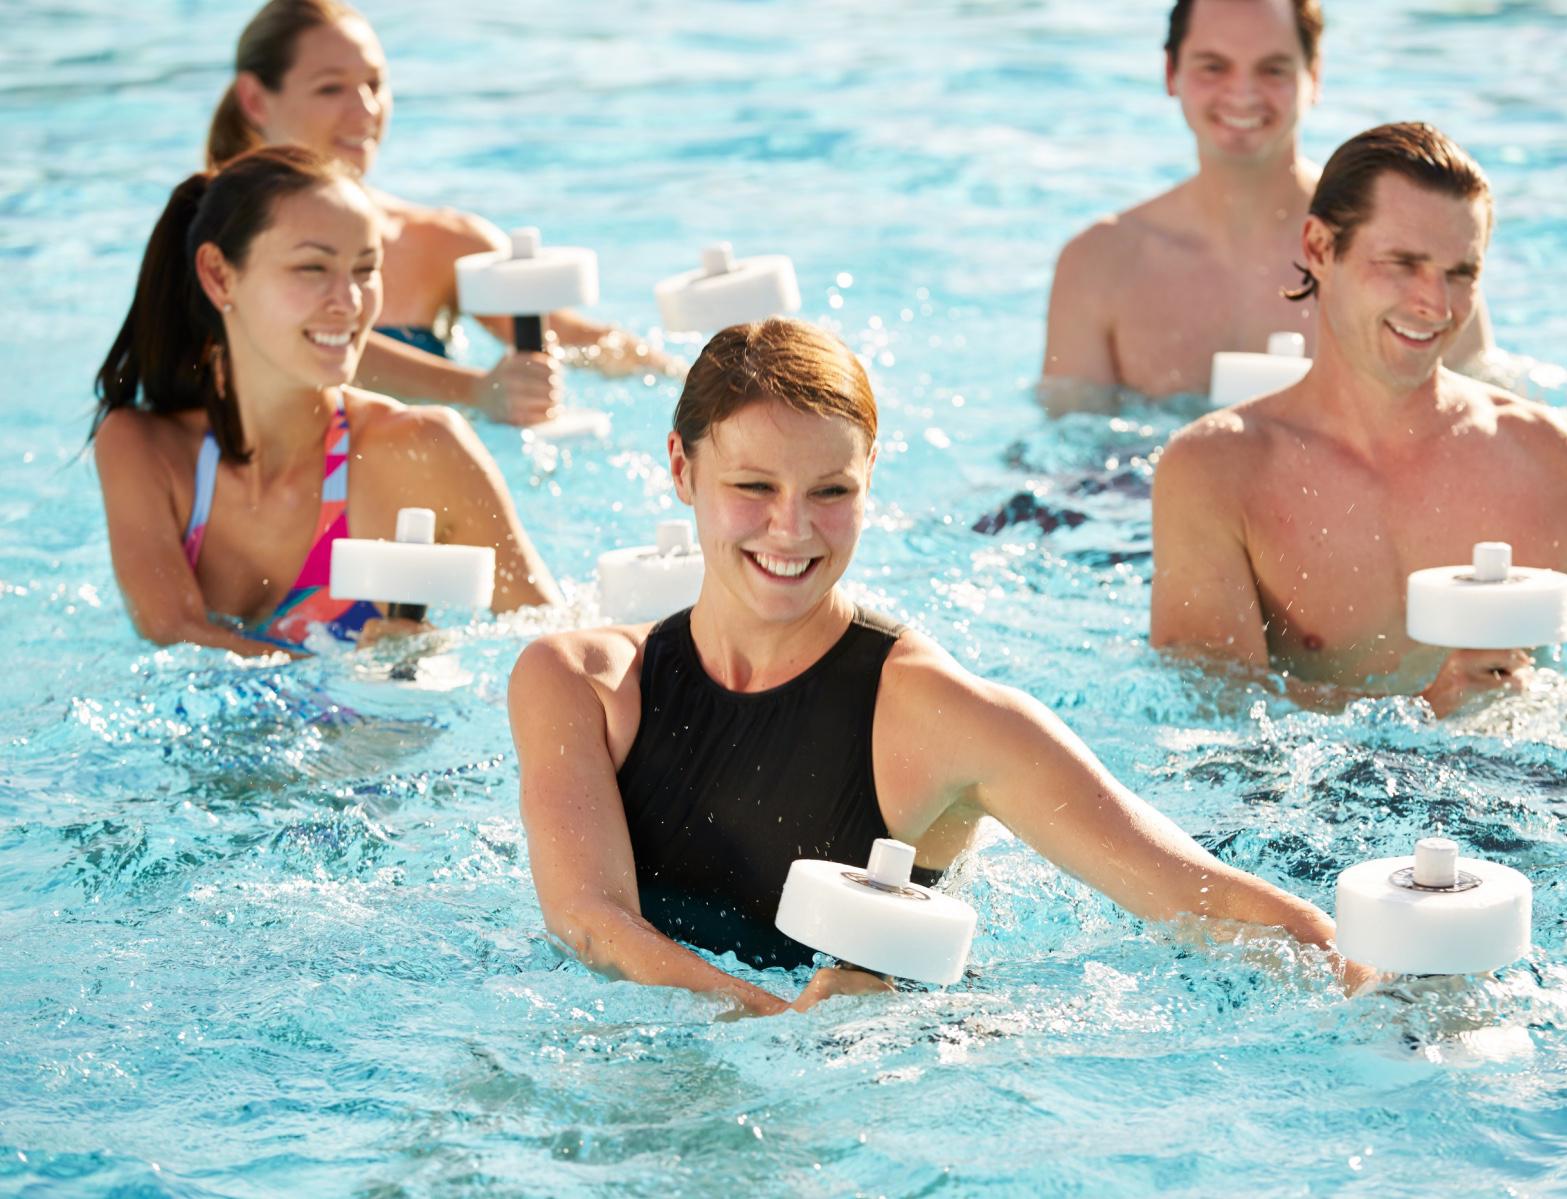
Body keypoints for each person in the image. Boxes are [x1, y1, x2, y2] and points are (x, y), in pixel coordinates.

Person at [510, 318, 1363, 1015]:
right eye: (755, 487)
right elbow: (588, 920)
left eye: (831, 492)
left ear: (870, 480)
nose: (792, 528)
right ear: (679, 468)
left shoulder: (943, 716)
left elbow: (1200, 897)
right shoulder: (580, 684)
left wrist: (1380, 987)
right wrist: (781, 1024)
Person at [1148, 122, 1567, 715]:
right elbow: (1212, 706)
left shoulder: (1559, 458)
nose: (1436, 303)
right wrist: (1425, 710)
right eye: (1402, 263)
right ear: (1319, 247)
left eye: (1461, 273)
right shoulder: (1214, 471)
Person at [93, 144, 563, 655]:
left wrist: (419, 665)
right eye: (313, 269)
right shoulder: (145, 450)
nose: (350, 302)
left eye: (366, 269)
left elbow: (550, 643)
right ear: (219, 276)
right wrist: (347, 674)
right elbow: (174, 635)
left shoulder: (424, 450)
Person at [208, 0, 684, 427]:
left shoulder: (440, 243)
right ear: (254, 100)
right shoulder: (207, 235)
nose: (366, 109)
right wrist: (473, 390)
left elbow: (581, 341)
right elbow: (273, 335)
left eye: (375, 84)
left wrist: (695, 378)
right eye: (331, 88)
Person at [1041, 0, 1491, 411]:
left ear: (1313, 74)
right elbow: (1066, 465)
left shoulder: (1407, 241)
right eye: (1213, 66)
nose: (1243, 93)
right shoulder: (1099, 263)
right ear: (1170, 73)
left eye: (1272, 69)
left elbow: (1478, 420)